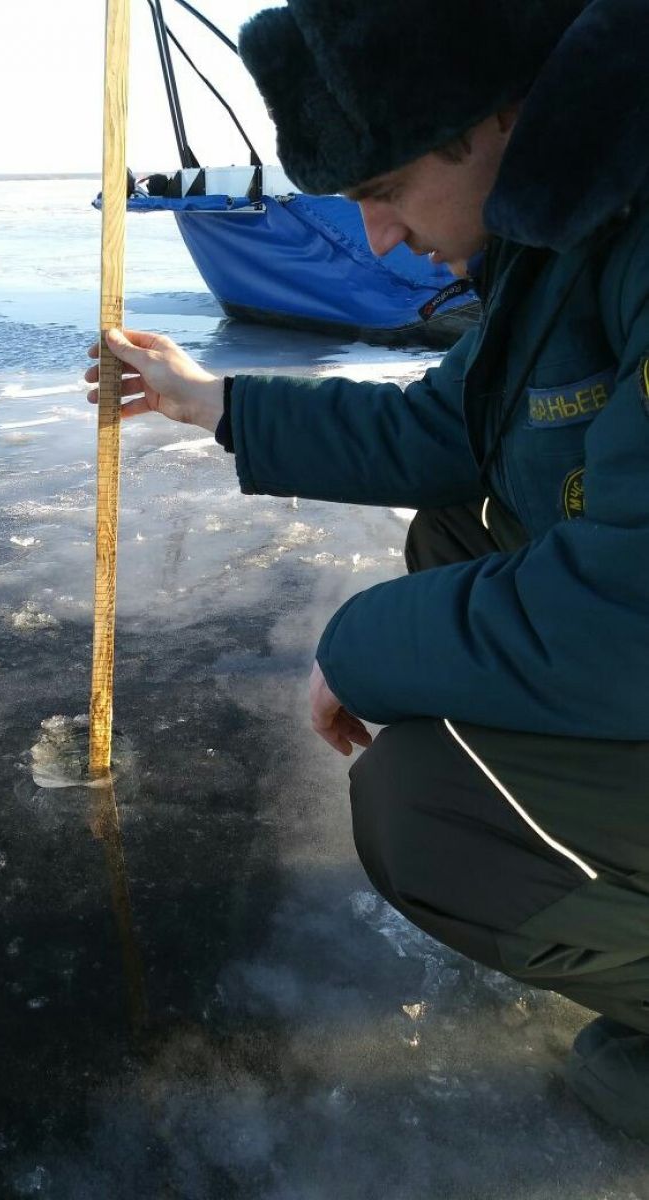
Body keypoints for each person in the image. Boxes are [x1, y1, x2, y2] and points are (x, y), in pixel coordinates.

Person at [84, 0, 649, 1138]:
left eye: (384, 187)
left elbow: (632, 619)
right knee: (460, 528)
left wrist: (361, 645)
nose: (378, 237)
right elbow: (457, 427)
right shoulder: (567, 231)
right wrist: (217, 404)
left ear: (500, 119)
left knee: (434, 814)